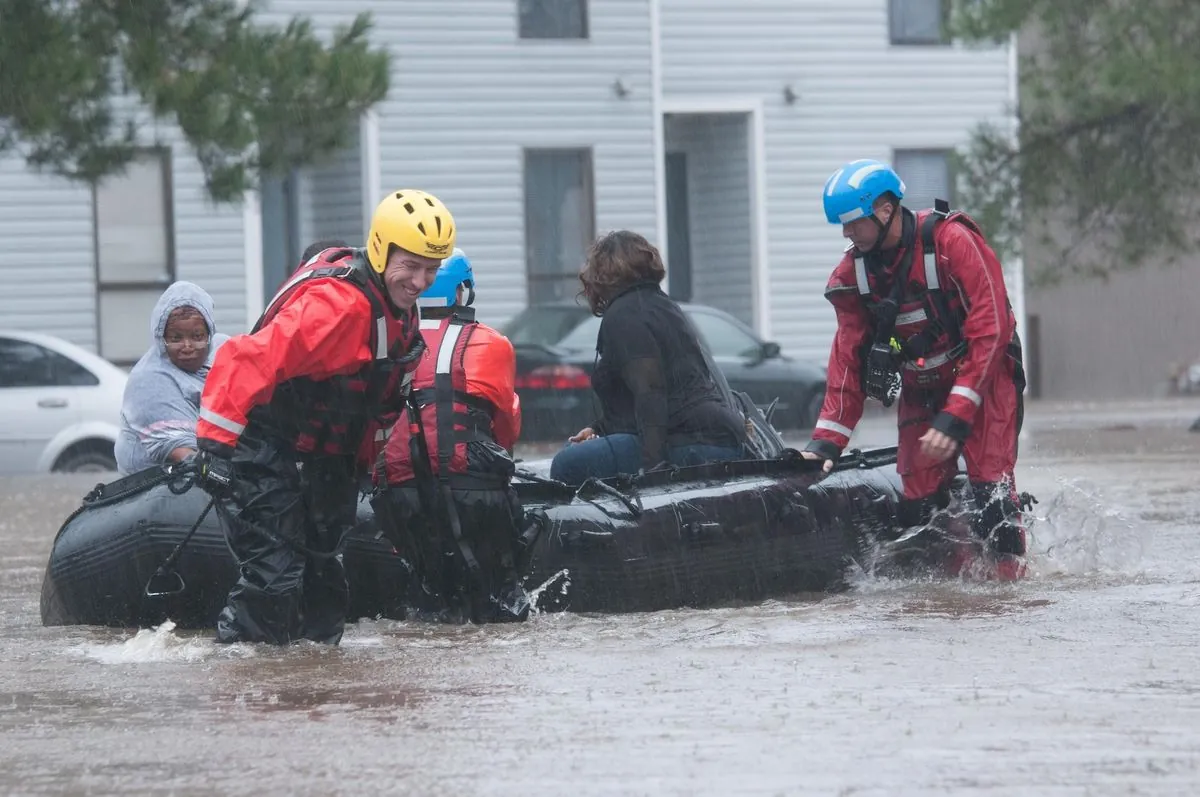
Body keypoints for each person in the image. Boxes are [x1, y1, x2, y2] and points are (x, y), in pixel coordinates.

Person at [191, 189, 457, 645]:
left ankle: (317, 695)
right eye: (410, 266)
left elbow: (377, 406)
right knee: (273, 579)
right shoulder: (336, 307)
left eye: (431, 270)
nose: (419, 281)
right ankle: (239, 686)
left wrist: (367, 470)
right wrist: (214, 447)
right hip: (266, 445)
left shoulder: (399, 313)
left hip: (325, 459)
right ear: (381, 249)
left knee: (325, 581)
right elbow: (242, 360)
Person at [799, 159, 1028, 580]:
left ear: (885, 209)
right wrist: (827, 442)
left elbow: (991, 328)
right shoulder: (855, 275)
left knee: (990, 491)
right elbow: (847, 360)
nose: (847, 234)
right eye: (842, 227)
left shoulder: (953, 243)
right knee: (919, 502)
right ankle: (942, 592)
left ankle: (1009, 589)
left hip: (987, 379)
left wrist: (958, 412)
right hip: (923, 388)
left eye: (852, 223)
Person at [372, 248, 529, 623]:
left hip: (398, 494)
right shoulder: (491, 343)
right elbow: (506, 429)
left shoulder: (382, 341)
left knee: (428, 603)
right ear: (461, 292)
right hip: (471, 488)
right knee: (500, 602)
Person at [549, 230, 748, 484]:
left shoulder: (625, 315)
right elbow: (656, 392)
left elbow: (651, 392)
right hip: (714, 435)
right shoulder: (661, 304)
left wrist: (653, 471)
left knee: (567, 464)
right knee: (574, 453)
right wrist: (600, 429)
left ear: (603, 275)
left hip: (691, 442)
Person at [114, 281, 230, 474]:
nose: (187, 346)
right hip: (157, 488)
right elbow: (185, 455)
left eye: (197, 336)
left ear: (210, 333)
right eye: (176, 338)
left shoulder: (223, 351)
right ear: (161, 338)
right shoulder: (149, 381)